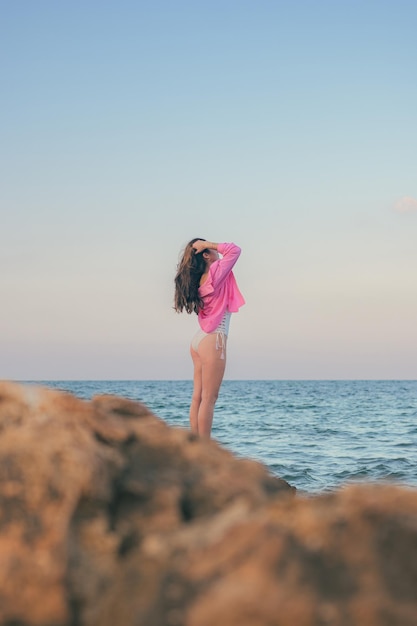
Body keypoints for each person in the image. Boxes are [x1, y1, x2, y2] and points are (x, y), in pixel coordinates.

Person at [174, 239, 245, 437]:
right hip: (214, 339)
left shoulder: (198, 281)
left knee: (198, 397)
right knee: (209, 398)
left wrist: (205, 246)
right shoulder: (215, 273)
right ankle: (205, 449)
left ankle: (196, 447)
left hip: (199, 341)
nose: (217, 254)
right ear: (205, 255)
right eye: (211, 251)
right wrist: (207, 243)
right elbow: (234, 250)